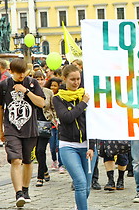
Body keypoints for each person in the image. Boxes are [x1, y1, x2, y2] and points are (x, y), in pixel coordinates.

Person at [0, 58, 45, 208]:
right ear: (10, 72)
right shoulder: (3, 85)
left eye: (23, 72)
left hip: (30, 128)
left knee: (28, 161)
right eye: (18, 73)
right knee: (16, 159)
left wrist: (26, 91)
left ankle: (25, 188)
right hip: (11, 128)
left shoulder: (32, 83)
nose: (21, 76)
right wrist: (0, 130)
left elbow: (41, 103)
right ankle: (18, 193)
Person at [53, 64, 96, 210]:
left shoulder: (87, 95)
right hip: (68, 146)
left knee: (87, 187)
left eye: (78, 79)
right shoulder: (58, 99)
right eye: (72, 79)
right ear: (64, 79)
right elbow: (67, 117)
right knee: (80, 183)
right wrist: (83, 103)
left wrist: (92, 146)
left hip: (87, 146)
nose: (76, 82)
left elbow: (94, 123)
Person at [33, 71, 56, 187]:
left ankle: (40, 176)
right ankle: (45, 169)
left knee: (40, 150)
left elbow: (53, 107)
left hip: (45, 123)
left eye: (42, 79)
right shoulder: (30, 92)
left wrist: (55, 120)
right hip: (33, 124)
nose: (40, 81)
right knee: (37, 151)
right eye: (37, 79)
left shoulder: (49, 92)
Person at [44, 77, 64, 172]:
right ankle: (54, 160)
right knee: (52, 146)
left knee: (58, 144)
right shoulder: (47, 94)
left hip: (59, 122)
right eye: (51, 85)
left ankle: (61, 163)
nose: (53, 87)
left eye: (55, 86)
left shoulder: (61, 96)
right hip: (51, 123)